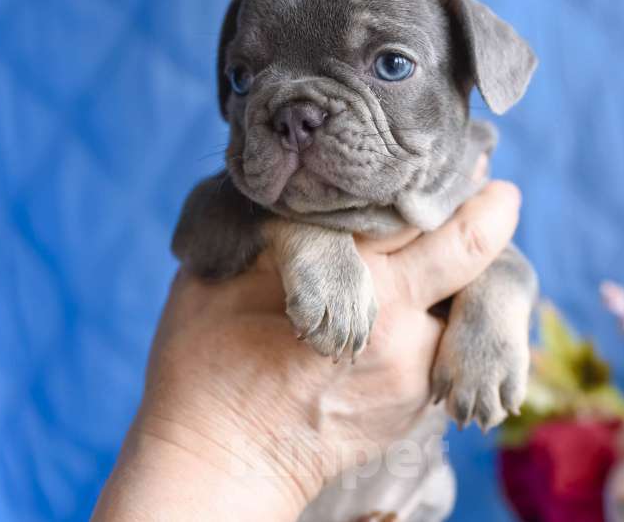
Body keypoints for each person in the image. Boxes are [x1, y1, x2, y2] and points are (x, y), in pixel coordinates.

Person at [92, 181, 522, 521]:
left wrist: (492, 307)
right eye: (244, 79)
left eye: (392, 64)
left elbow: (493, 263)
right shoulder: (239, 195)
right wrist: (298, 231)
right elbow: (197, 235)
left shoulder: (457, 186)